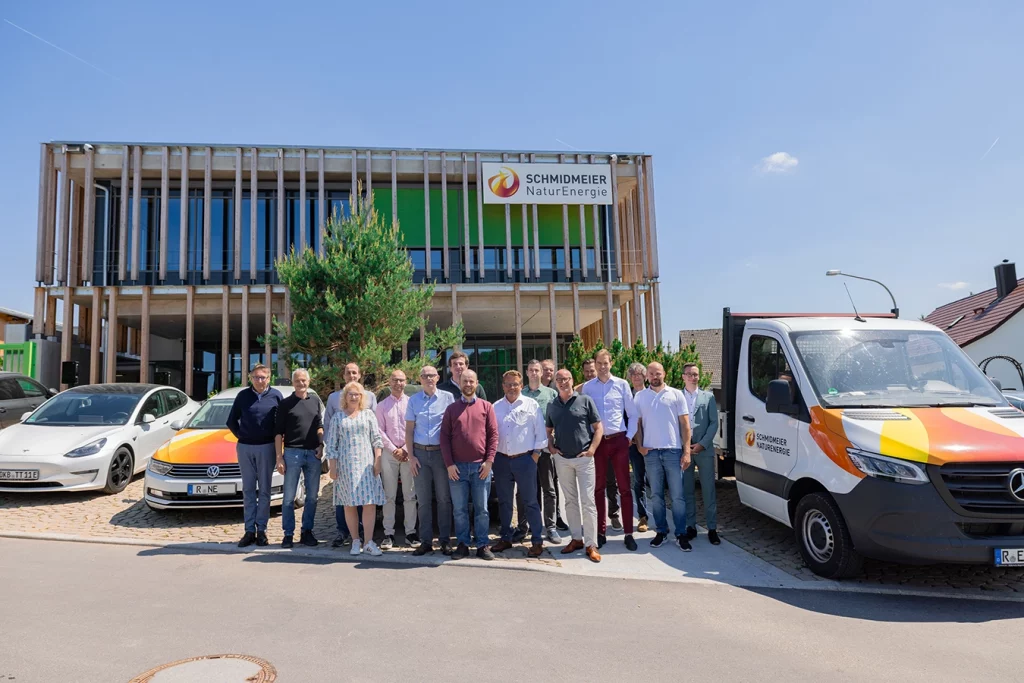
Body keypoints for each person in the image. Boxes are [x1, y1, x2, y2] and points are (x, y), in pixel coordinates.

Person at [581, 350, 638, 551]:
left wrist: (629, 437)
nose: (603, 366)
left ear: (611, 363)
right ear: (594, 365)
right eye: (599, 363)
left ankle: (629, 533)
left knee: (624, 487)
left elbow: (632, 413)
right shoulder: (587, 388)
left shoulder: (622, 385)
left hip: (619, 441)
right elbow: (584, 416)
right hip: (598, 444)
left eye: (606, 363)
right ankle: (600, 532)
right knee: (598, 488)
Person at [634, 362, 693, 551]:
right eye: (650, 373)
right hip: (651, 453)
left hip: (673, 452)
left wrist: (686, 451)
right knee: (656, 496)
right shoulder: (640, 397)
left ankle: (681, 534)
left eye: (657, 373)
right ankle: (661, 531)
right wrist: (641, 446)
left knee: (677, 497)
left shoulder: (676, 395)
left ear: (664, 374)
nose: (654, 376)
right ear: (647, 376)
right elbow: (638, 424)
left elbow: (685, 425)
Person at [546, 369, 603, 563]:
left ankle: (591, 544)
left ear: (572, 381)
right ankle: (576, 539)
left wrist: (592, 450)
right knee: (570, 501)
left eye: (566, 379)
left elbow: (598, 428)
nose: (563, 382)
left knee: (588, 501)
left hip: (584, 459)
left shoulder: (585, 400)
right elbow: (548, 430)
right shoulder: (552, 405)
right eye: (559, 379)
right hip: (563, 460)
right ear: (555, 383)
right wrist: (552, 446)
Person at [440, 369, 497, 561]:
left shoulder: (487, 407)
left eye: (471, 381)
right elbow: (444, 439)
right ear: (460, 383)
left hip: (481, 468)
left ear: (476, 383)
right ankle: (463, 544)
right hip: (457, 468)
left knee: (482, 509)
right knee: (460, 509)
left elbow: (493, 436)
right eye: (465, 381)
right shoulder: (451, 409)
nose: (468, 384)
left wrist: (489, 462)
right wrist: (449, 464)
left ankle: (482, 544)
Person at [491, 370, 548, 557]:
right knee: (505, 502)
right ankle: (506, 538)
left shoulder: (531, 405)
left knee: (530, 502)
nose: (512, 387)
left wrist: (535, 456)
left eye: (515, 384)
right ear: (503, 386)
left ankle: (537, 540)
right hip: (501, 461)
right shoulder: (495, 407)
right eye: (508, 384)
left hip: (525, 459)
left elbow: (541, 433)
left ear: (520, 384)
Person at [325, 381, 385, 557]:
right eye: (350, 393)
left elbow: (376, 439)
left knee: (369, 503)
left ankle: (368, 542)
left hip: (366, 465)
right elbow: (332, 444)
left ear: (362, 397)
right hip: (346, 467)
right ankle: (355, 540)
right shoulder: (338, 417)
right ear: (345, 396)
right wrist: (333, 466)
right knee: (349, 504)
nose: (353, 396)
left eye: (357, 394)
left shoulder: (368, 415)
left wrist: (378, 461)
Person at [227, 364, 283, 548]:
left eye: (263, 377)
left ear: (269, 378)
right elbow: (231, 421)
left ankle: (262, 530)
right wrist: (242, 436)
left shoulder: (276, 396)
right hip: (245, 448)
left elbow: (281, 424)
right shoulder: (243, 396)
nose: (260, 380)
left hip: (267, 448)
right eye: (256, 377)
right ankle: (249, 530)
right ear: (251, 378)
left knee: (265, 490)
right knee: (249, 490)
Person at [406, 365, 456, 556]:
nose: (429, 379)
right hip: (420, 455)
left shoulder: (448, 398)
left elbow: (453, 429)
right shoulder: (414, 400)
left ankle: (444, 541)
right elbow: (409, 430)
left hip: (441, 454)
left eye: (432, 375)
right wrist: (411, 457)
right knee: (423, 500)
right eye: (425, 376)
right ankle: (425, 541)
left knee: (444, 498)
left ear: (437, 377)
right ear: (420, 379)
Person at [274, 368, 324, 549]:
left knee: (312, 497)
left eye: (304, 380)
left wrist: (321, 444)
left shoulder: (315, 401)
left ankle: (306, 532)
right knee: (288, 497)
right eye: (297, 380)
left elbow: (319, 425)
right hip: (292, 453)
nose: (301, 383)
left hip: (313, 454)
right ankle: (288, 534)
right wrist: (279, 457)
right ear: (293, 382)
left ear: (308, 382)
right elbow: (278, 432)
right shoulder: (285, 404)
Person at [577, 357, 622, 532]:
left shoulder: (611, 385)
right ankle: (594, 518)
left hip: (607, 440)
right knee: (592, 483)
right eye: (586, 371)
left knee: (611, 480)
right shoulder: (584, 390)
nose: (589, 374)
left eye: (592, 371)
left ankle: (614, 514)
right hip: (588, 442)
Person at [375, 369, 418, 550]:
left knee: (410, 495)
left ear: (405, 382)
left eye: (401, 380)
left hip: (409, 453)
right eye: (394, 380)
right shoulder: (382, 405)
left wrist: (406, 449)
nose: (398, 383)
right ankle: (388, 534)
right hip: (389, 453)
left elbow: (416, 428)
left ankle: (410, 533)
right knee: (389, 495)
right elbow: (379, 430)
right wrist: (394, 450)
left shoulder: (412, 404)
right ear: (389, 382)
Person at [523, 359, 563, 542]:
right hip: (524, 450)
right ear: (527, 372)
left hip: (545, 449)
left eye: (537, 370)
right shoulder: (520, 393)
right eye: (531, 370)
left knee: (549, 489)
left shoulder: (551, 393)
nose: (534, 373)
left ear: (541, 373)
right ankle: (526, 525)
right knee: (525, 490)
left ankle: (551, 527)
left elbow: (558, 418)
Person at [681, 363, 721, 545]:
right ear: (683, 377)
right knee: (687, 490)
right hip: (684, 451)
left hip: (704, 451)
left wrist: (702, 444)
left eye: (695, 374)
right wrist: (685, 446)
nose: (692, 377)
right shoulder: (677, 397)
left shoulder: (709, 397)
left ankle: (712, 528)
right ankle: (691, 526)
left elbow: (714, 423)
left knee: (708, 490)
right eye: (689, 374)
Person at [626, 362, 649, 533]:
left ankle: (660, 516)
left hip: (653, 444)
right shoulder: (627, 396)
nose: (636, 376)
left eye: (639, 374)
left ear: (645, 376)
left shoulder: (651, 395)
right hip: (633, 446)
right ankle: (643, 516)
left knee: (656, 481)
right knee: (638, 480)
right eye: (633, 374)